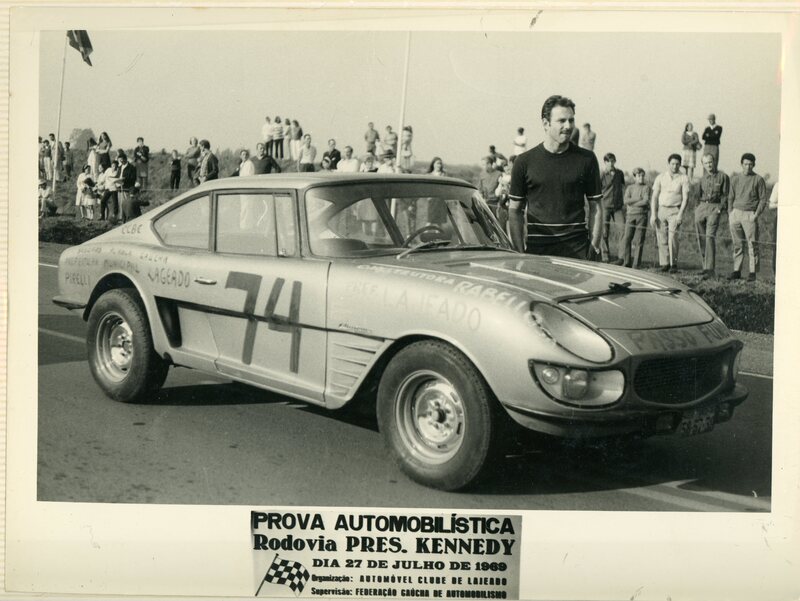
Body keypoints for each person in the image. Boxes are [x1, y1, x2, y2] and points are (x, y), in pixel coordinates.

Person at [508, 95, 603, 259]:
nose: (568, 126)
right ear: (546, 123)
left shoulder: (587, 159)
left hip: (579, 252)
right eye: (562, 121)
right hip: (538, 254)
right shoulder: (524, 162)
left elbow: (596, 206)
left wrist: (594, 247)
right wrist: (520, 253)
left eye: (571, 120)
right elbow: (515, 210)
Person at [728, 152, 767, 282]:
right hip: (736, 213)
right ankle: (736, 270)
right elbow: (730, 197)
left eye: (750, 164)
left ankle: (752, 272)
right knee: (737, 244)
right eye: (745, 164)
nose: (748, 167)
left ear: (754, 165)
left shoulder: (758, 179)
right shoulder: (735, 179)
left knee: (752, 244)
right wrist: (730, 213)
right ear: (741, 164)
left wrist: (756, 215)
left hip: (750, 214)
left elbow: (763, 199)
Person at [650, 154, 690, 272]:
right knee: (661, 237)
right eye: (672, 164)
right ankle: (664, 263)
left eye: (677, 164)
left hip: (675, 210)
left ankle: (673, 264)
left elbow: (686, 198)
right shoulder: (661, 177)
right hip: (662, 209)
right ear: (668, 164)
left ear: (680, 165)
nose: (674, 166)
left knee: (672, 238)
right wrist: (653, 214)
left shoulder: (683, 178)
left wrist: (680, 214)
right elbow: (654, 197)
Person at [694, 153, 730, 279]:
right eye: (706, 163)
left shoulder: (723, 177)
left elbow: (726, 195)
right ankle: (704, 266)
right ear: (703, 165)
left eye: (710, 162)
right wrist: (697, 209)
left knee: (709, 236)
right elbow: (697, 195)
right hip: (702, 207)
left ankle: (710, 268)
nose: (709, 165)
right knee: (701, 237)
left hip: (714, 207)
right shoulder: (702, 179)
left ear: (714, 162)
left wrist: (720, 209)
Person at [617, 168, 650, 268]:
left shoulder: (646, 188)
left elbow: (645, 201)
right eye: (639, 176)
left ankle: (636, 264)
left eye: (643, 176)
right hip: (630, 216)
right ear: (634, 177)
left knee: (639, 240)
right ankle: (627, 262)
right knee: (627, 238)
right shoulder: (630, 188)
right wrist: (638, 199)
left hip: (642, 215)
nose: (641, 178)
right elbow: (625, 201)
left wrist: (632, 204)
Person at [599, 152, 626, 262]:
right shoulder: (601, 174)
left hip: (617, 207)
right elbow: (597, 189)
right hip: (605, 206)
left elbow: (623, 187)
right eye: (608, 161)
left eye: (612, 161)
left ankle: (622, 257)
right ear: (605, 162)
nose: (611, 163)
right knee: (604, 232)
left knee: (623, 229)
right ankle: (605, 256)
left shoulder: (620, 173)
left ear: (615, 161)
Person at [116, 151, 139, 222]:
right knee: (121, 203)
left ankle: (127, 217)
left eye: (122, 160)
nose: (121, 162)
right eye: (120, 160)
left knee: (127, 203)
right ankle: (121, 217)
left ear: (125, 159)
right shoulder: (119, 167)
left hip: (127, 188)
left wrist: (124, 179)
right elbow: (117, 176)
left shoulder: (131, 167)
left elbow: (133, 178)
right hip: (119, 188)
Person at [479, 156, 502, 220]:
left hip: (495, 203)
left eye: (484, 165)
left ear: (489, 164)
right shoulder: (482, 174)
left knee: (495, 220)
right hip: (484, 202)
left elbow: (502, 189)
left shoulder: (499, 174)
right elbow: (480, 188)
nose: (483, 167)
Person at [769, 181, 778, 275]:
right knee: (777, 245)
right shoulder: (778, 185)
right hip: (781, 219)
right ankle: (776, 273)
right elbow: (771, 205)